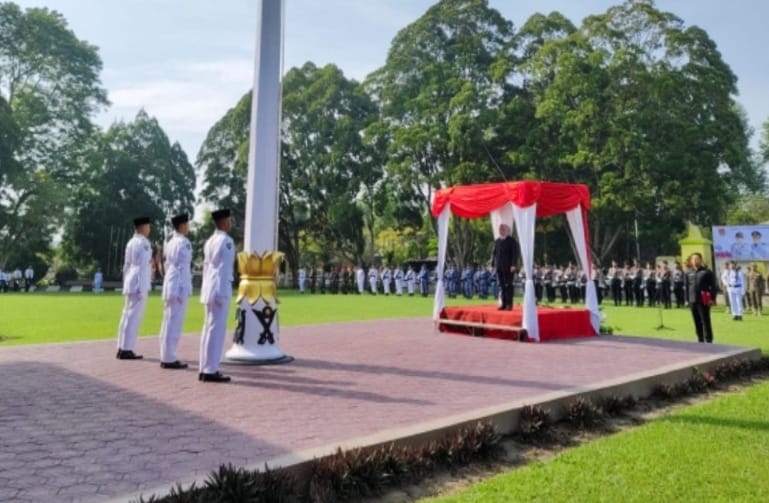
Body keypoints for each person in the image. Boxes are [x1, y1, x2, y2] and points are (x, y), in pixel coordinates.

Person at [199, 208, 235, 383]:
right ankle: (211, 369)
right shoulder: (226, 241)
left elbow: (208, 267)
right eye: (229, 220)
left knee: (208, 329)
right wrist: (221, 293)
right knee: (216, 330)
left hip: (209, 288)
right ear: (224, 222)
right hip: (220, 289)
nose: (231, 222)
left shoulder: (210, 241)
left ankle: (204, 367)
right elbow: (224, 269)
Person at [158, 213, 193, 370]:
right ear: (182, 226)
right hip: (178, 285)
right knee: (174, 322)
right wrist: (183, 287)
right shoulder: (183, 242)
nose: (189, 227)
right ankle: (169, 357)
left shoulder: (171, 242)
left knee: (168, 321)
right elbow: (183, 265)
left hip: (171, 283)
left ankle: (166, 355)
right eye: (187, 224)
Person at [116, 216, 153, 360]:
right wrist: (141, 284)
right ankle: (127, 348)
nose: (149, 230)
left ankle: (122, 346)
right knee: (133, 316)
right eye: (148, 227)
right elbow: (143, 266)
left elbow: (127, 266)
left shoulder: (131, 242)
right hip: (138, 282)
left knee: (126, 315)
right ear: (143, 227)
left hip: (131, 281)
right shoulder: (143, 243)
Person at [684, 252, 716, 343]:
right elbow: (686, 287)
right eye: (693, 259)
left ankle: (708, 339)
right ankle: (700, 339)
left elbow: (713, 286)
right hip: (692, 300)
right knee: (696, 321)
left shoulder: (706, 272)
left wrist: (712, 299)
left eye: (697, 259)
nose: (694, 261)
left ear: (701, 260)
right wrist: (686, 300)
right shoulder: (688, 272)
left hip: (703, 300)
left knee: (705, 321)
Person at [491, 223, 519, 310]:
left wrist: (513, 264)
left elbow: (515, 253)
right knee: (501, 286)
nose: (501, 231)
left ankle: (509, 304)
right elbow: (494, 253)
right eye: (500, 229)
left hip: (509, 267)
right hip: (499, 267)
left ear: (506, 230)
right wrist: (492, 264)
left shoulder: (511, 241)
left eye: (502, 229)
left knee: (508, 286)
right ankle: (503, 303)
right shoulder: (497, 241)